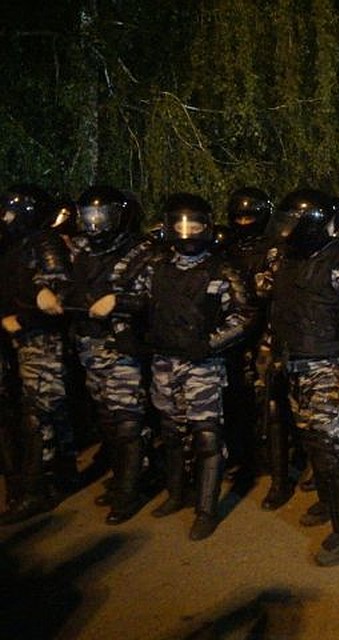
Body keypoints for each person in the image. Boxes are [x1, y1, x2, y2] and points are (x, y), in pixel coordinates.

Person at [116, 193, 256, 540]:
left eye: (194, 226)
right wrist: (124, 329)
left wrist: (210, 343)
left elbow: (244, 316)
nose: (187, 233)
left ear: (206, 227)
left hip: (203, 365)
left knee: (207, 436)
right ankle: (176, 494)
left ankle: (206, 510)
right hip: (164, 360)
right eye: (180, 225)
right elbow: (131, 300)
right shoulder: (156, 266)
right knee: (171, 433)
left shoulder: (223, 268)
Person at [258, 189, 339, 566]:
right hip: (295, 364)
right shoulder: (286, 260)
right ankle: (332, 504)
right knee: (314, 445)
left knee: (330, 451)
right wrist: (269, 355)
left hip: (330, 367)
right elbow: (279, 312)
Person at [62, 185, 154, 524]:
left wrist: (119, 301)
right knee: (107, 418)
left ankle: (130, 490)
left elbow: (153, 295)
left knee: (127, 419)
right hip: (88, 343)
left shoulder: (141, 250)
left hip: (121, 347)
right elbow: (65, 285)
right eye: (89, 216)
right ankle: (121, 477)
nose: (95, 224)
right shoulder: (81, 249)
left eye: (102, 216)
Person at [0, 185, 72, 524]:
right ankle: (59, 477)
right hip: (25, 338)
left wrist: (25, 316)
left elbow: (55, 293)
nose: (5, 217)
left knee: (38, 413)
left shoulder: (44, 242)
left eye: (10, 211)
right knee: (46, 411)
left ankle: (36, 491)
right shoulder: (17, 245)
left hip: (41, 338)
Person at [221, 187, 287, 508]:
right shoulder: (226, 248)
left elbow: (276, 293)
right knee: (235, 400)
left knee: (273, 406)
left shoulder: (274, 249)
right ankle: (242, 459)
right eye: (240, 217)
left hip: (266, 333)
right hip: (233, 335)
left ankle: (279, 477)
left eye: (250, 217)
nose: (244, 223)